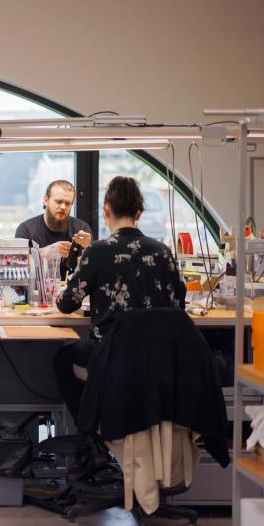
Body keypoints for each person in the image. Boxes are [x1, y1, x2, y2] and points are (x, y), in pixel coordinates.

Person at [53, 176, 186, 424]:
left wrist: (59, 292)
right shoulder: (162, 252)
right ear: (139, 212)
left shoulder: (98, 251)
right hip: (157, 355)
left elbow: (67, 304)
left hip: (109, 353)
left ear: (106, 210)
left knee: (62, 360)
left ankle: (90, 432)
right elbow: (178, 304)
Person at [15, 180, 93, 278]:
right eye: (58, 201)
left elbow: (90, 272)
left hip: (70, 291)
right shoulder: (26, 229)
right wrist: (48, 252)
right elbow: (18, 266)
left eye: (68, 203)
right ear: (46, 200)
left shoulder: (81, 229)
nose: (63, 207)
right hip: (35, 291)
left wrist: (88, 248)